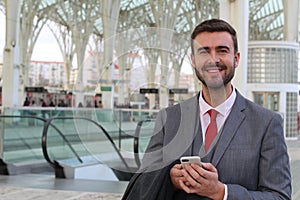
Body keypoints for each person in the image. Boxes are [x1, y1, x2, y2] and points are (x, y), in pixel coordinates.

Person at [122, 19, 291, 200]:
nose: (213, 59)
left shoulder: (266, 123)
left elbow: (279, 196)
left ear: (236, 58)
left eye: (222, 50)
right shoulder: (170, 118)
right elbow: (141, 183)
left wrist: (222, 192)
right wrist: (169, 178)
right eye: (204, 51)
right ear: (193, 61)